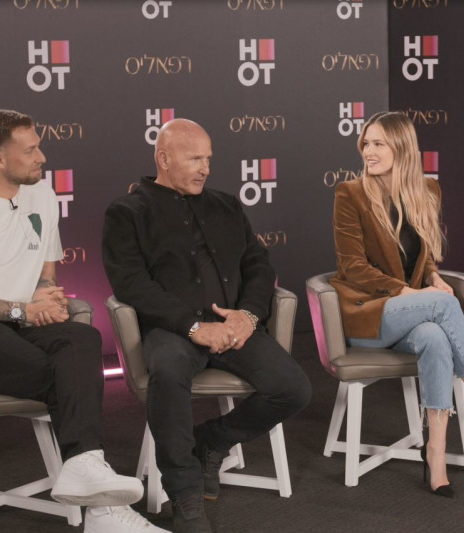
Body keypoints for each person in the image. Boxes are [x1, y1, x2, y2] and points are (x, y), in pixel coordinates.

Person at [102, 118, 311, 533]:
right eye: (195, 159)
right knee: (168, 372)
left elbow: (258, 265)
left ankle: (212, 440)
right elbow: (131, 284)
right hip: (172, 331)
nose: (206, 168)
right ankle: (185, 492)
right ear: (164, 159)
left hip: (233, 326)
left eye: (209, 159)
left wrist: (248, 315)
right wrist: (193, 328)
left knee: (294, 389)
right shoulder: (127, 212)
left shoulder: (226, 205)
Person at [0, 110, 165, 532]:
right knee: (66, 375)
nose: (42, 157)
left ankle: (86, 473)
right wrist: (22, 309)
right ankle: (102, 509)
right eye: (30, 150)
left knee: (82, 340)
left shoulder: (41, 194)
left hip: (22, 324)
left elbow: (47, 265)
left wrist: (47, 295)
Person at [330, 111, 464, 498]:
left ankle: (436, 452)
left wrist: (431, 278)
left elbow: (418, 257)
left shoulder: (427, 190)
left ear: (402, 148)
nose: (368, 151)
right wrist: (411, 294)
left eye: (378, 144)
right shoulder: (350, 194)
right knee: (441, 306)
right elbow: (353, 267)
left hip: (410, 316)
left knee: (436, 339)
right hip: (368, 315)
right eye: (366, 143)